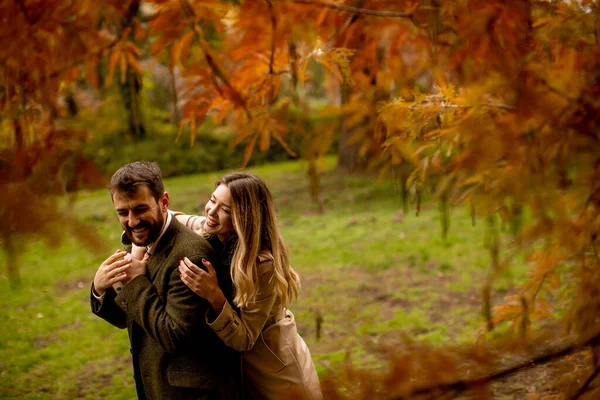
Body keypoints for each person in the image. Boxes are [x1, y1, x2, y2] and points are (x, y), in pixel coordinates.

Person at [90, 161, 240, 400]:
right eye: (122, 212)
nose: (132, 221)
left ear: (164, 202)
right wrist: (99, 289)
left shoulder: (190, 254)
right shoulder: (140, 241)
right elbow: (125, 317)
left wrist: (136, 283)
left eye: (140, 209)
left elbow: (175, 337)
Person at [171, 172, 322, 399]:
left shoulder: (262, 264)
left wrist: (214, 294)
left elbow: (244, 338)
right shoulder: (216, 230)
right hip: (243, 375)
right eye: (212, 200)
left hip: (277, 379)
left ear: (244, 219)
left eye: (225, 210)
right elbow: (182, 219)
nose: (211, 211)